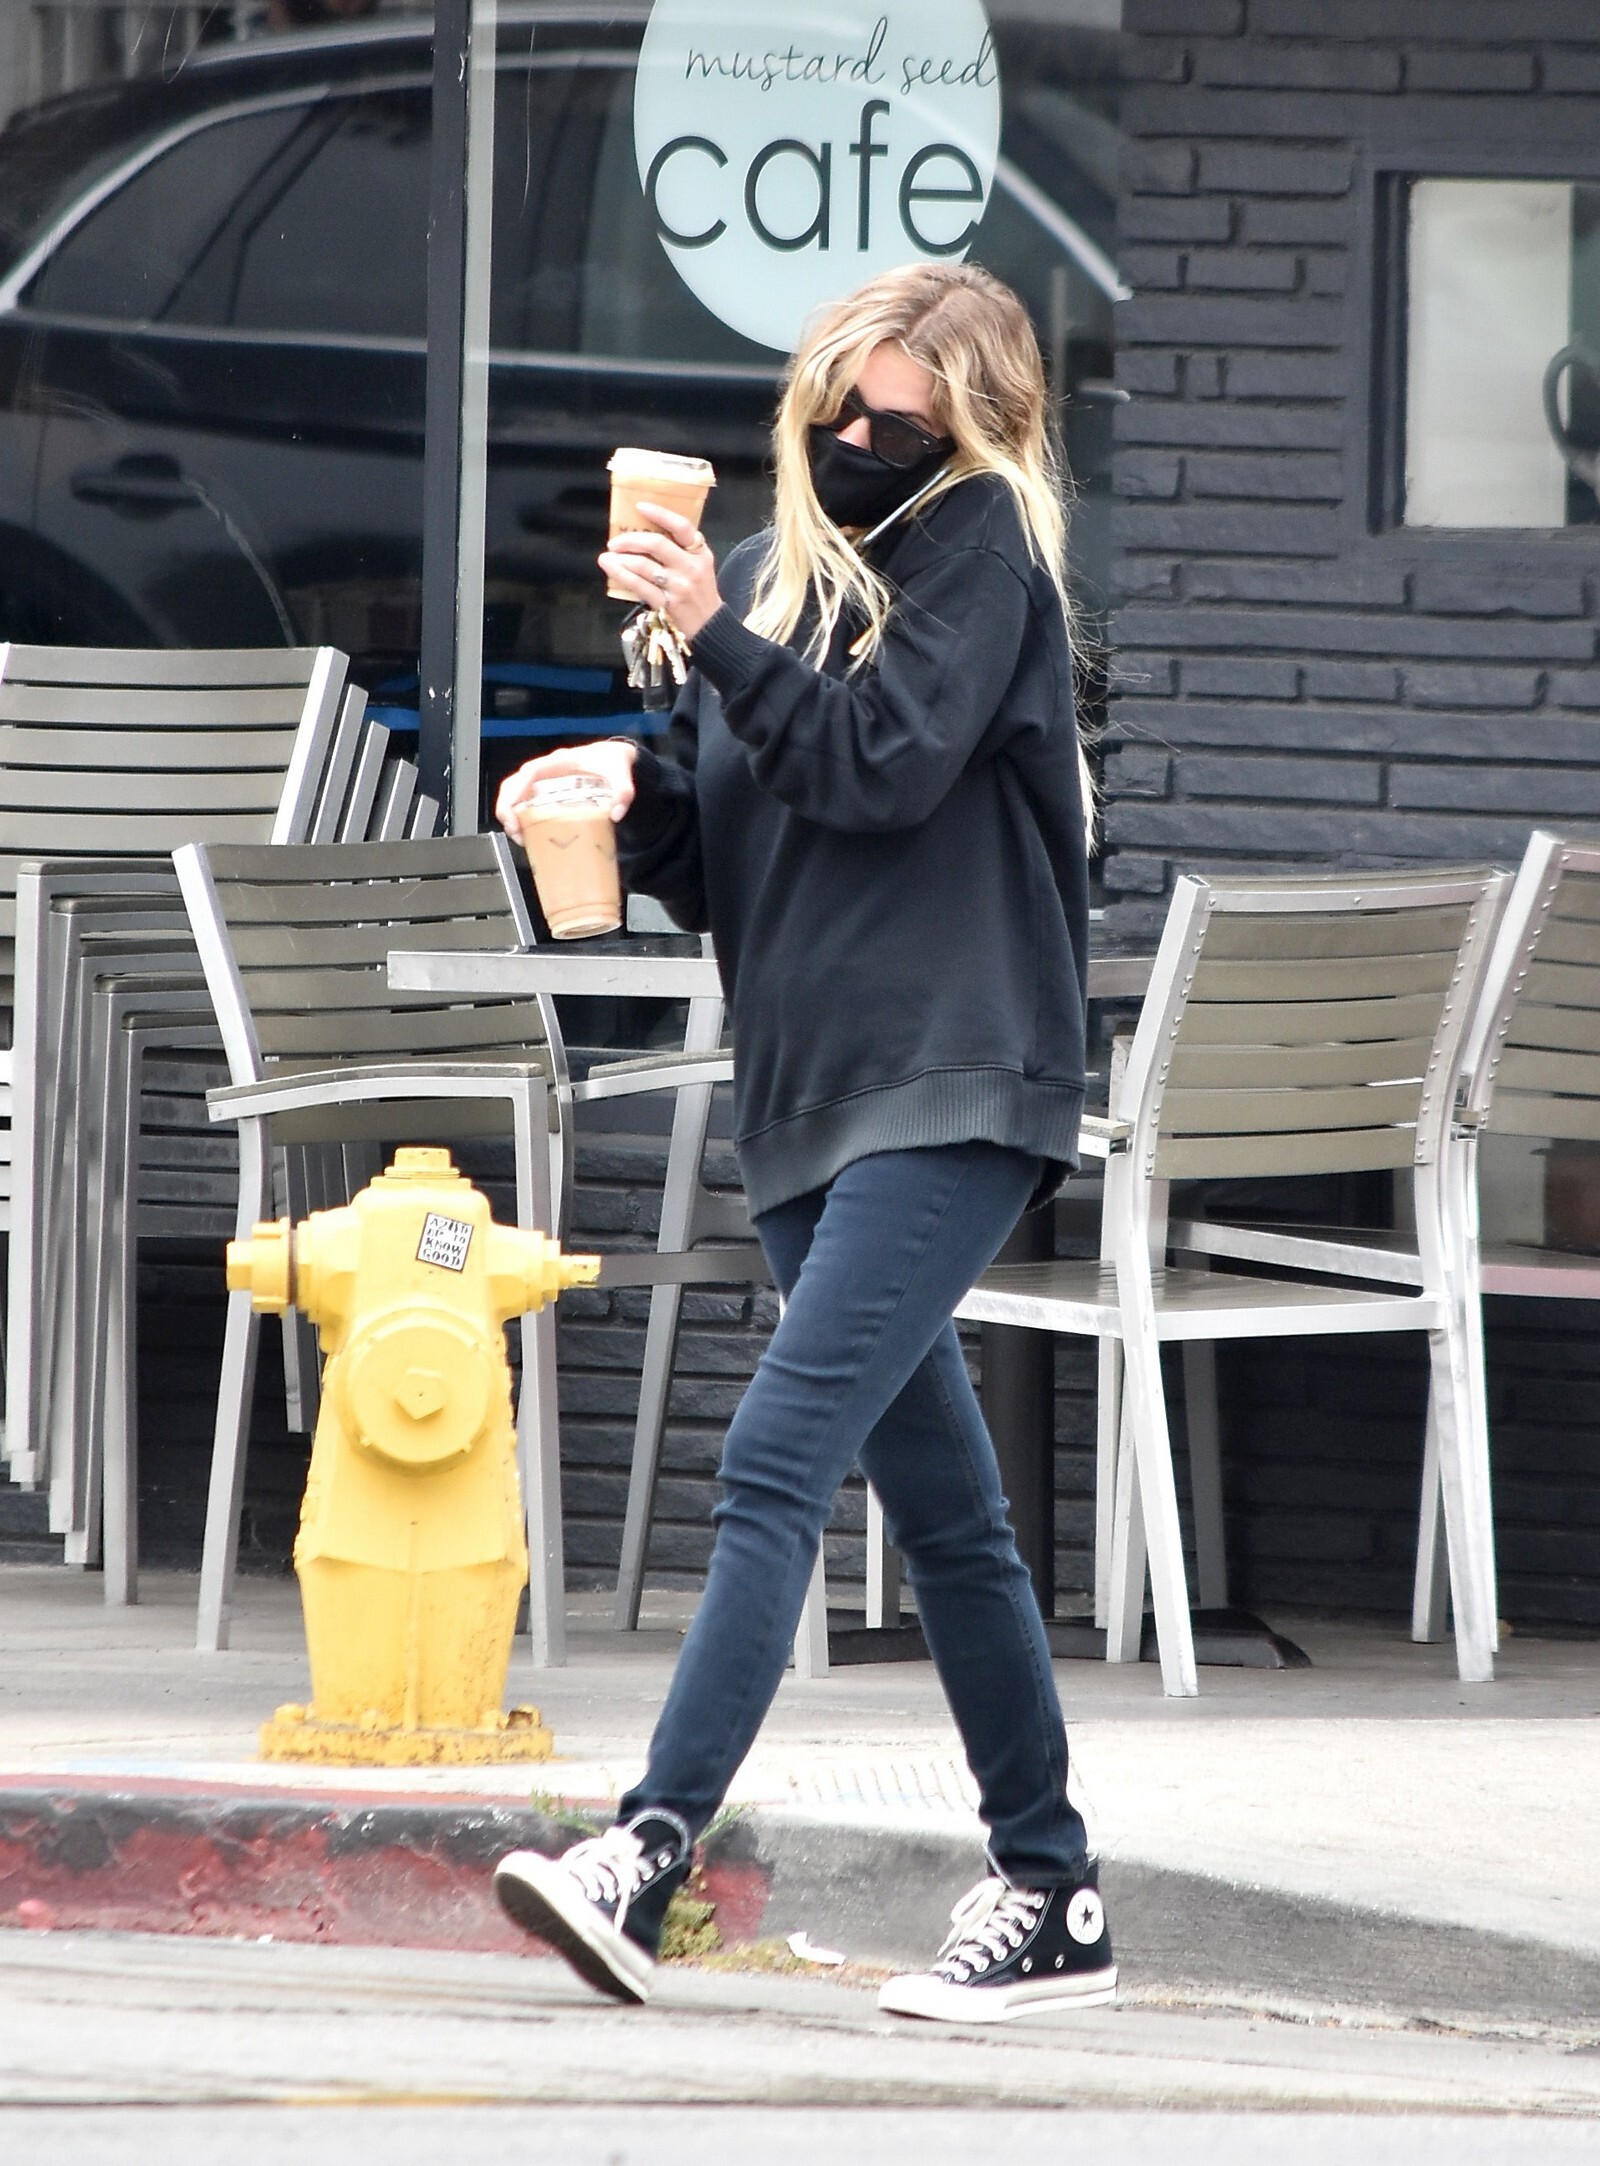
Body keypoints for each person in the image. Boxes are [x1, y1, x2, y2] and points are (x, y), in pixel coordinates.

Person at [491, 261, 1113, 2026]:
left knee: (772, 1455)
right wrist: (622, 798)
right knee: (953, 1520)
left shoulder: (981, 549)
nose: (854, 438)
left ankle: (646, 1848)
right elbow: (735, 846)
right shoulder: (770, 575)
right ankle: (1052, 1887)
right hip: (805, 1093)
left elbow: (881, 766)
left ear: (974, 424)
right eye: (835, 407)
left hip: (957, 1073)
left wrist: (712, 634)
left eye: (894, 418)